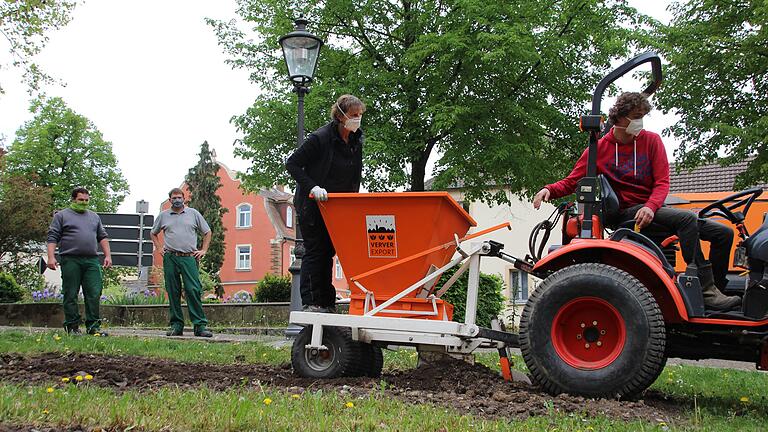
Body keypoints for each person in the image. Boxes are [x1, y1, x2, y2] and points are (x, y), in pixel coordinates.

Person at [533, 92, 739, 311]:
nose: (640, 121)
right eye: (636, 116)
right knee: (687, 220)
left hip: (651, 208)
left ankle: (719, 289)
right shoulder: (600, 149)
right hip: (626, 212)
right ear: (620, 118)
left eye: (643, 116)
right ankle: (705, 291)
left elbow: (662, 182)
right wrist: (548, 189)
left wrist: (651, 206)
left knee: (724, 234)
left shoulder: (651, 141)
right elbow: (573, 180)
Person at [286, 94, 365, 313]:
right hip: (312, 204)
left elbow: (354, 172)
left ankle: (327, 302)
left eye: (360, 115)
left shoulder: (356, 139)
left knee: (329, 251)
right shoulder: (319, 138)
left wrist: (352, 200)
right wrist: (312, 187)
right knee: (315, 251)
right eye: (353, 115)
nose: (357, 120)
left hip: (336, 206)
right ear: (340, 116)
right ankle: (312, 302)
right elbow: (292, 164)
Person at [47, 187, 112, 335]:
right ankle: (72, 326)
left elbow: (102, 236)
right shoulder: (62, 216)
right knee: (71, 293)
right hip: (70, 259)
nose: (83, 203)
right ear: (73, 200)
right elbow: (52, 237)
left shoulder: (94, 217)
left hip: (91, 260)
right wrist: (51, 257)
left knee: (94, 293)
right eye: (80, 200)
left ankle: (93, 326)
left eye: (86, 200)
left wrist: (108, 255)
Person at [150, 188, 213, 337]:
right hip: (171, 257)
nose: (177, 200)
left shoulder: (193, 214)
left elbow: (207, 232)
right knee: (173, 290)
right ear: (170, 200)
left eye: (179, 197)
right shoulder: (164, 216)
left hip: (189, 257)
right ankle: (176, 326)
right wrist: (159, 248)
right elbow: (153, 232)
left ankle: (200, 326)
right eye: (174, 198)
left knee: (193, 290)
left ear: (184, 198)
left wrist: (203, 250)